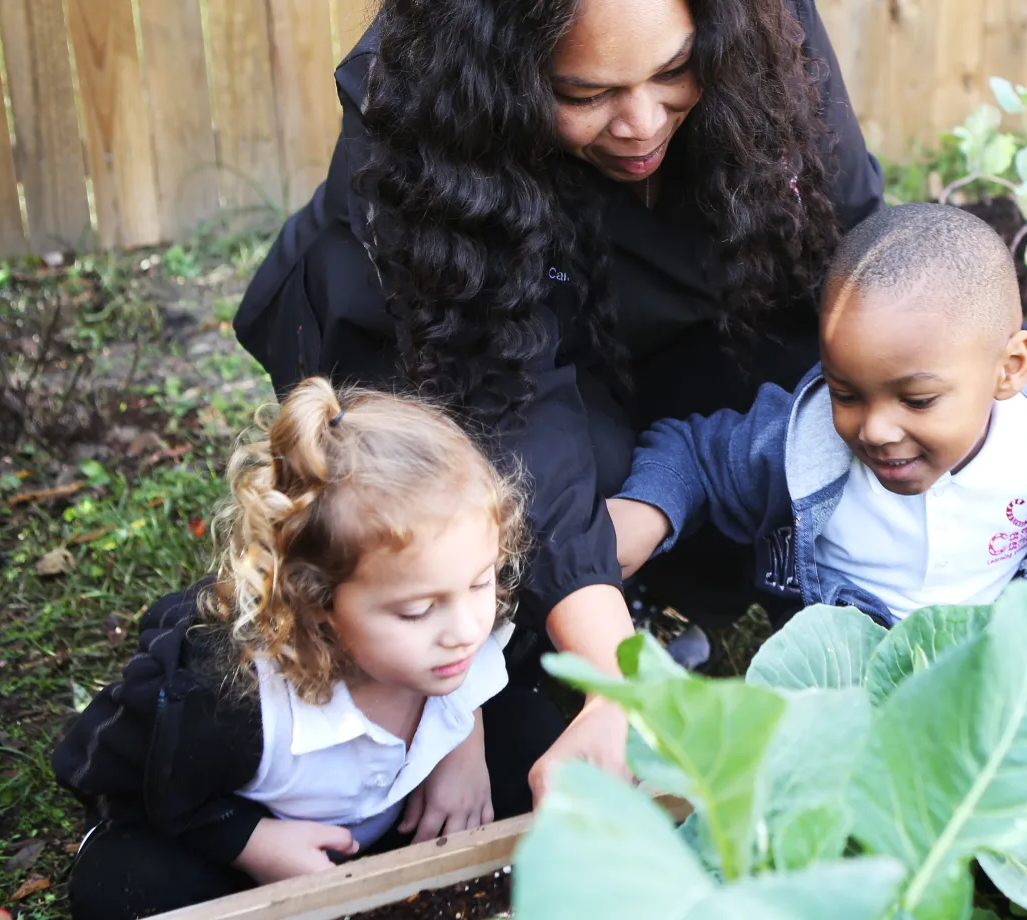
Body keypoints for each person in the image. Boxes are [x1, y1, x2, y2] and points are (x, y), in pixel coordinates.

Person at [233, 0, 883, 796]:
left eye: (675, 70)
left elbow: (851, 248)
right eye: (584, 93)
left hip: (632, 291)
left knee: (791, 363)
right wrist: (621, 680)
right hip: (423, 305)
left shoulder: (761, 27)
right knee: (520, 471)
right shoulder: (429, 96)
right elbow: (514, 403)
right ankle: (551, 623)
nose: (642, 122)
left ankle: (650, 587)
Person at [605, 204, 1027, 667]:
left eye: (918, 400)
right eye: (847, 393)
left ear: (1010, 369)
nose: (875, 428)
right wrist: (645, 510)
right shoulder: (801, 445)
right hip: (857, 659)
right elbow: (696, 452)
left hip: (1000, 638)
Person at [51, 379, 552, 920]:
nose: (465, 628)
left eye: (480, 582)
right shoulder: (229, 701)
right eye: (416, 610)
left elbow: (479, 657)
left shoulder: (462, 626)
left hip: (385, 830)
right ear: (315, 601)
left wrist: (464, 747)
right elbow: (96, 766)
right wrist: (250, 841)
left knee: (540, 742)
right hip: (249, 856)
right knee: (125, 887)